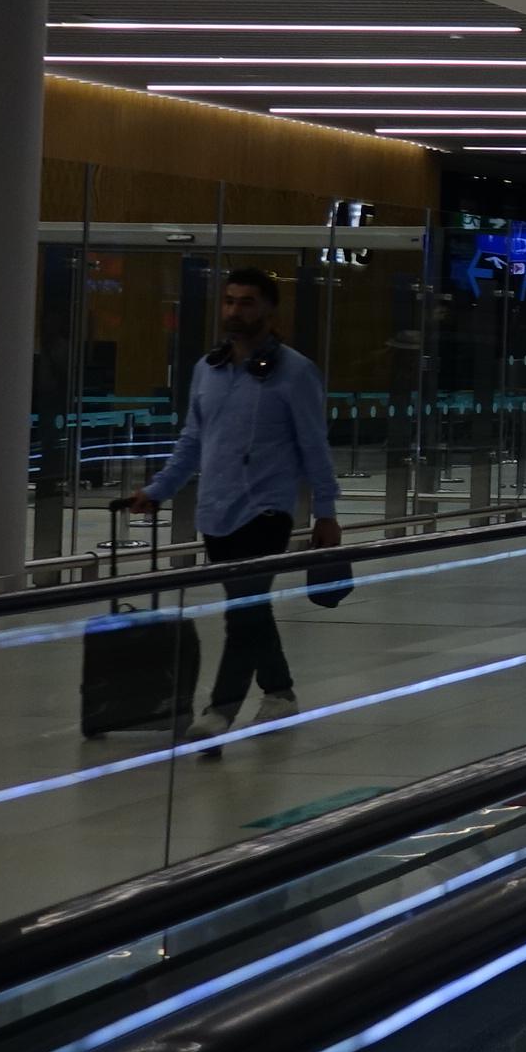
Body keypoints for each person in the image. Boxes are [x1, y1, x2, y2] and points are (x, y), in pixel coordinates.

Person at [119, 267, 341, 731]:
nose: (234, 311)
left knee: (242, 611)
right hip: (216, 514)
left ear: (268, 309)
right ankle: (280, 692)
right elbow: (193, 441)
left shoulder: (295, 373)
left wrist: (326, 511)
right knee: (250, 608)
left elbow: (315, 447)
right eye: (229, 301)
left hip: (266, 512)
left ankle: (220, 711)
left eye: (246, 302)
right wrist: (158, 491)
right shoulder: (209, 370)